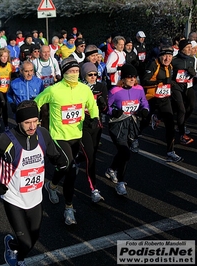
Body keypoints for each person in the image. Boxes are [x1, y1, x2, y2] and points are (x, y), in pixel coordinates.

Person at [0, 100, 67, 266]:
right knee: (25, 242)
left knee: (34, 238)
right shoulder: (5, 140)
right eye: (27, 123)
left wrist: (61, 162)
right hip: (13, 198)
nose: (32, 126)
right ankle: (19, 259)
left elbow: (54, 154)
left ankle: (12, 245)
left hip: (35, 197)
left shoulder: (43, 134)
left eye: (35, 121)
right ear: (18, 121)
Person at [35, 57, 99, 225]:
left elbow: (92, 105)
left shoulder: (84, 89)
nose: (74, 74)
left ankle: (52, 185)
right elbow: (37, 102)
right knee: (70, 168)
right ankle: (69, 209)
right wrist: (31, 120)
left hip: (76, 135)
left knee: (65, 167)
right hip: (59, 136)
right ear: (64, 73)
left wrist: (94, 118)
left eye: (77, 71)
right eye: (70, 71)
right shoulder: (54, 90)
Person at [105, 64, 149, 195]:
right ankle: (120, 183)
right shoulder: (115, 91)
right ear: (123, 78)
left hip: (132, 124)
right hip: (118, 125)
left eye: (134, 77)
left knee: (123, 152)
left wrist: (146, 109)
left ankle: (111, 169)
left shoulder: (139, 89)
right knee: (125, 153)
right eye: (129, 77)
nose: (132, 79)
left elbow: (144, 102)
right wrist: (113, 112)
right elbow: (105, 107)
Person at [142, 46, 182, 162]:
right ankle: (133, 138)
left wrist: (172, 84)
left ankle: (170, 152)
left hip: (164, 99)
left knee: (170, 124)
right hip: (152, 98)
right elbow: (144, 80)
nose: (167, 58)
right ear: (160, 56)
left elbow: (169, 81)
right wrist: (159, 83)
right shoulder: (153, 65)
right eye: (165, 56)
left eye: (169, 56)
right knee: (144, 121)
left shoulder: (170, 66)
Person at [77, 62, 108, 202]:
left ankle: (76, 160)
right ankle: (93, 189)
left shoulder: (101, 86)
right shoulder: (78, 87)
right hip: (82, 125)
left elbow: (105, 109)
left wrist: (103, 104)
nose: (93, 77)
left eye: (95, 74)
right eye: (90, 75)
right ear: (84, 75)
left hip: (96, 125)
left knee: (92, 154)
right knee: (91, 157)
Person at [171, 39, 195, 145]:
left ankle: (182, 123)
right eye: (188, 47)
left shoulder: (192, 60)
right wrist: (172, 83)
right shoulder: (174, 60)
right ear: (182, 49)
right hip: (176, 87)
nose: (190, 49)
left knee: (192, 106)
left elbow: (193, 74)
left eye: (191, 47)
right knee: (181, 109)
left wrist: (193, 73)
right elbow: (170, 73)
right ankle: (182, 134)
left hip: (188, 86)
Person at [0, 48, 14, 135]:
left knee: (3, 106)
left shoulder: (10, 66)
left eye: (6, 56)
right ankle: (6, 125)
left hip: (7, 89)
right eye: (2, 56)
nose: (4, 58)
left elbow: (14, 75)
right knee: (3, 103)